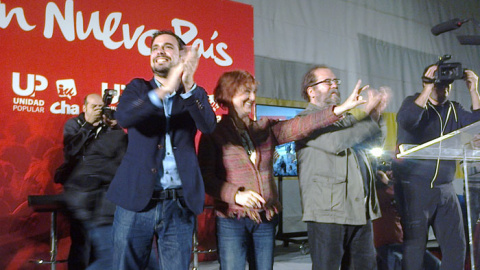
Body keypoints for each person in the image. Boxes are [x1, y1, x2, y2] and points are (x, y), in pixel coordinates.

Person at [198, 69, 366, 270]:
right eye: (245, 92)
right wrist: (236, 195)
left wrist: (341, 108)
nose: (252, 98)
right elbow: (206, 178)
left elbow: (303, 125)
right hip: (232, 219)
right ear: (227, 95)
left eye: (253, 91)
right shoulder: (214, 133)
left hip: (266, 218)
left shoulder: (264, 129)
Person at [105, 30, 216, 269]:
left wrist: (186, 86)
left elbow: (208, 126)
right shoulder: (138, 88)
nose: (159, 51)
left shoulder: (194, 94)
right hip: (135, 202)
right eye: (155, 47)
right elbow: (124, 117)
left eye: (167, 47)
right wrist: (165, 89)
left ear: (181, 57)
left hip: (178, 204)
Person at [295, 65, 387, 270]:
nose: (334, 86)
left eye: (336, 82)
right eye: (328, 82)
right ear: (311, 91)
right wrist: (368, 116)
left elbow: (375, 143)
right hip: (327, 213)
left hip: (359, 211)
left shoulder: (345, 120)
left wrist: (377, 113)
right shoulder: (304, 122)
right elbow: (337, 142)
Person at [394, 64, 480, 270]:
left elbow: (477, 123)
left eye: (446, 86)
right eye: (437, 85)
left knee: (456, 245)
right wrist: (426, 87)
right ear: (427, 83)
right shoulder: (413, 103)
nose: (442, 89)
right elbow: (406, 121)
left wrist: (474, 89)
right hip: (414, 188)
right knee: (415, 246)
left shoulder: (454, 109)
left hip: (445, 189)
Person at [60, 93, 127, 270]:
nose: (98, 110)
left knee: (104, 247)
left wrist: (114, 126)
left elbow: (118, 151)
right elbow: (71, 151)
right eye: (94, 107)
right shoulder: (74, 124)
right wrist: (88, 125)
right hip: (80, 191)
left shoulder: (107, 129)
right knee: (80, 241)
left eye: (100, 107)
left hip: (103, 195)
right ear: (85, 108)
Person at [374, 167, 441, 270]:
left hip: (398, 243)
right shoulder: (381, 194)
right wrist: (389, 181)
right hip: (386, 245)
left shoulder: (392, 193)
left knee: (434, 264)